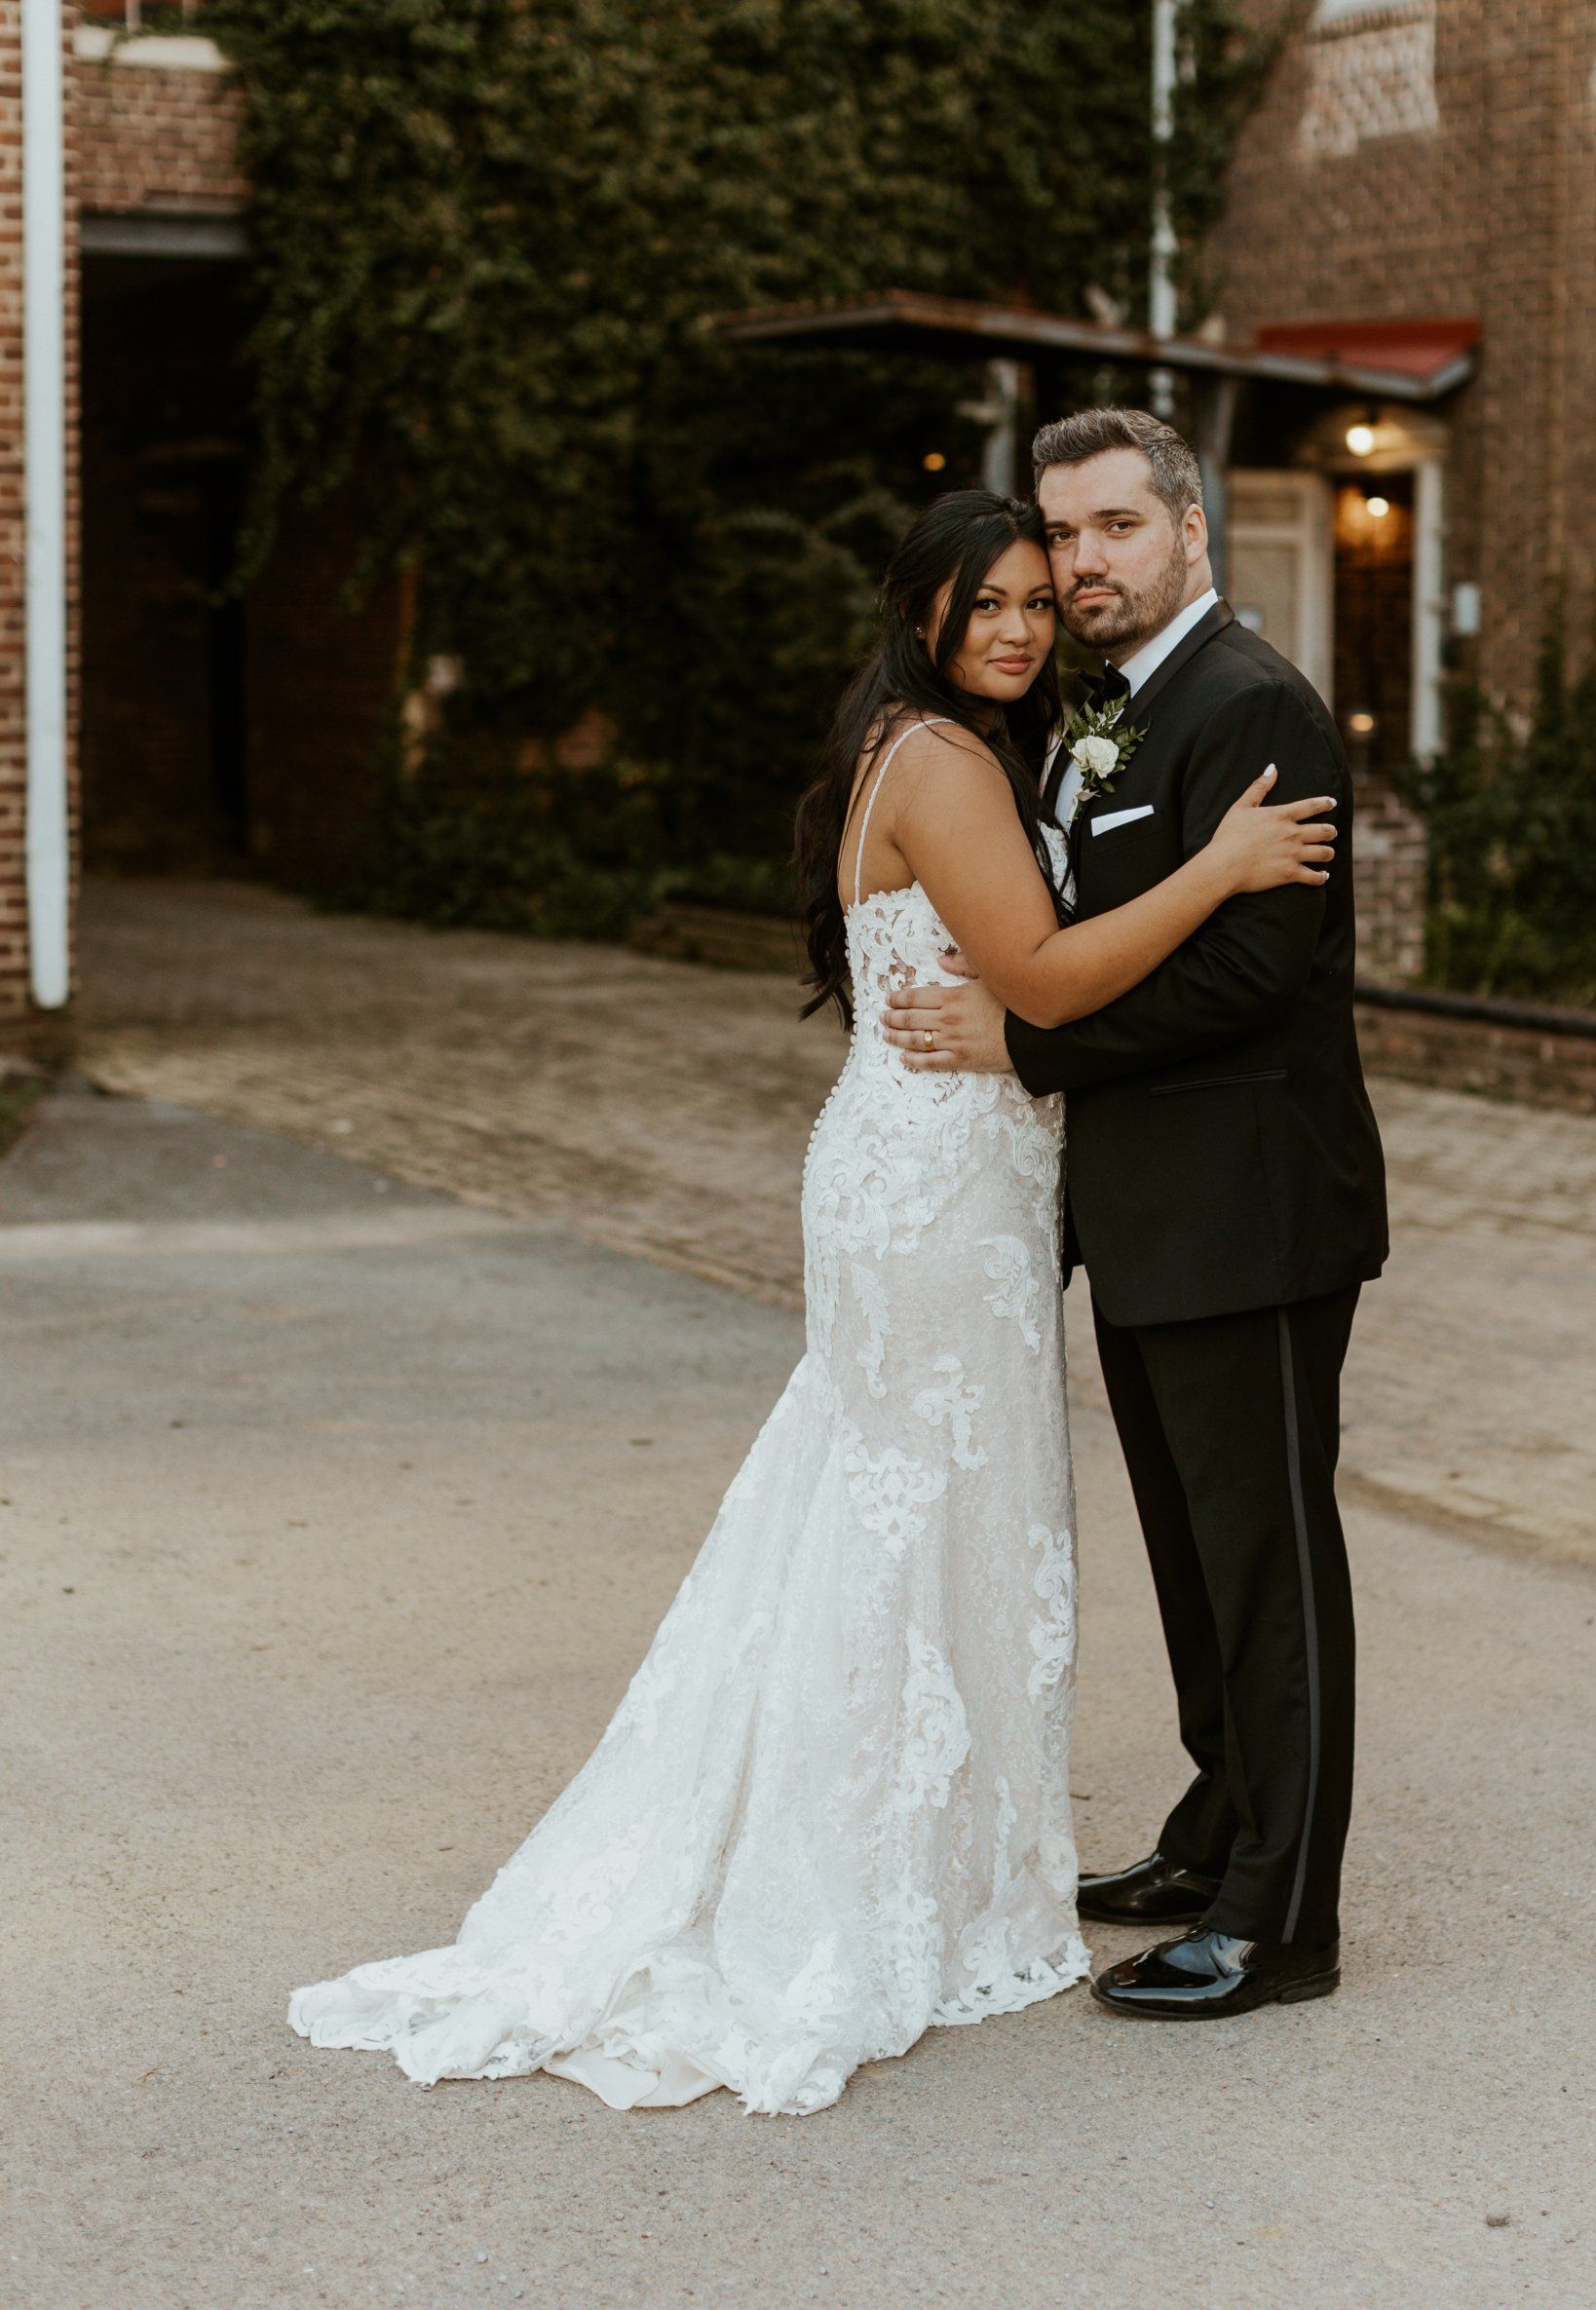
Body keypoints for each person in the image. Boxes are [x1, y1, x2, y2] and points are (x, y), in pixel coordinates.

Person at [287, 481, 1336, 2115]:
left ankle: (905, 1850)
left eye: (1034, 602)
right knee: (913, 1511)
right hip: (937, 1187)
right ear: (919, 613)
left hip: (934, 1174)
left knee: (891, 1501)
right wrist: (1217, 866)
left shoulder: (939, 748)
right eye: (984, 601)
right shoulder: (939, 761)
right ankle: (857, 1882)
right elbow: (1047, 980)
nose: (1015, 625)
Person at [885, 408, 1388, 2024]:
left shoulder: (1253, 706)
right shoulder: (1108, 712)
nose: (1083, 561)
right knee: (1192, 1554)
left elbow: (1260, 973)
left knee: (1269, 1567)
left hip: (1251, 1208)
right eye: (1064, 533)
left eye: (1113, 528)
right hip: (1152, 1212)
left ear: (1188, 527)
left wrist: (1031, 1038)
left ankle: (1282, 1917)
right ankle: (1216, 1824)